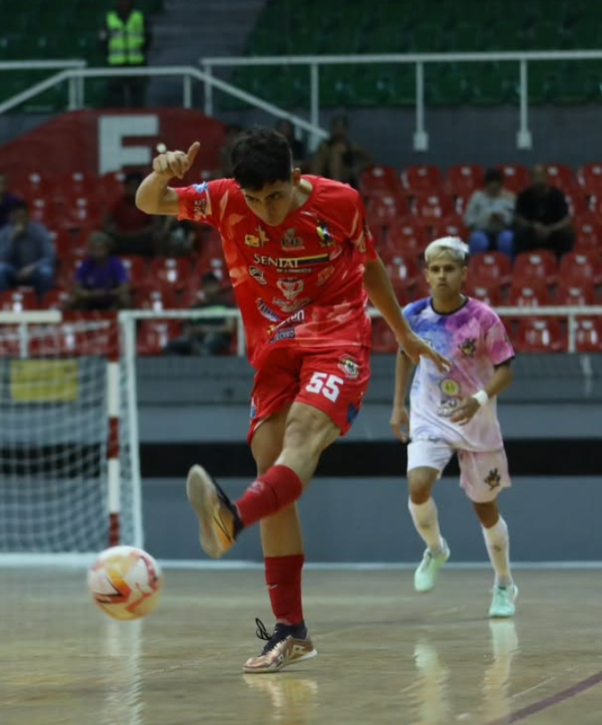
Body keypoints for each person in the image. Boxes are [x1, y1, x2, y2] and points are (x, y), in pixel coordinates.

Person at [135, 127, 447, 673]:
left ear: (296, 178)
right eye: (255, 199)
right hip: (274, 347)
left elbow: (370, 265)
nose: (266, 210)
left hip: (338, 337)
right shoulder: (228, 199)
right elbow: (149, 202)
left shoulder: (339, 201)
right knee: (268, 462)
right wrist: (163, 172)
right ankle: (291, 631)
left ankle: (232, 516)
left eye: (274, 196)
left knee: (299, 438)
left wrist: (400, 331)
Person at [391, 237, 517, 617]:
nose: (442, 275)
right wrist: (398, 405)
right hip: (431, 414)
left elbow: (505, 371)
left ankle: (504, 584)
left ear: (464, 273)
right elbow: (404, 352)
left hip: (476, 419)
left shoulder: (483, 318)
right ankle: (435, 549)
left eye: (449, 269)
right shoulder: (412, 315)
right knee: (418, 485)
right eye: (435, 269)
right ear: (426, 275)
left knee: (485, 509)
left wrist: (478, 399)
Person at [0, 202, 56, 299]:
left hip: (34, 270)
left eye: (23, 216)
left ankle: (43, 307)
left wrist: (32, 267)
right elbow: (1, 258)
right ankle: (2, 304)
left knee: (46, 272)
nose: (20, 220)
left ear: (28, 217)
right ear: (11, 217)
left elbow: (50, 257)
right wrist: (12, 239)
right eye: (17, 216)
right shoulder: (3, 232)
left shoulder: (40, 230)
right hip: (13, 270)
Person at [164, 273, 235, 355]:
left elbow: (230, 328)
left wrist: (205, 329)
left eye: (213, 285)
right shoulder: (196, 308)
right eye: (207, 285)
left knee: (206, 346)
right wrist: (193, 331)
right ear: (203, 288)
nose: (210, 289)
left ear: (218, 287)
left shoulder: (226, 306)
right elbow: (186, 328)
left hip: (217, 338)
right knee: (171, 347)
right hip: (195, 339)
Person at [513, 164, 575, 258]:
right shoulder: (524, 196)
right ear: (530, 178)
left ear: (547, 177)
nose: (538, 179)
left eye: (540, 175)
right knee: (520, 234)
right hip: (532, 232)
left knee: (567, 234)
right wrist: (533, 226)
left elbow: (566, 220)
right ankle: (523, 262)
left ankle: (562, 264)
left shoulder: (557, 195)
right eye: (535, 176)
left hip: (553, 232)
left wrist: (549, 229)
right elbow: (518, 218)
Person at [67, 232, 131, 311]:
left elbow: (125, 287)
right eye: (94, 249)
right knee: (72, 299)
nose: (97, 252)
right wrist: (90, 294)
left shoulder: (115, 263)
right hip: (90, 298)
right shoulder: (86, 264)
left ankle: (123, 321)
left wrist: (109, 293)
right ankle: (74, 321)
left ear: (108, 249)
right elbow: (76, 288)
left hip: (111, 297)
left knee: (125, 298)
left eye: (101, 248)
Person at [464, 168, 515, 259]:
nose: (494, 191)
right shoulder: (477, 197)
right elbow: (468, 220)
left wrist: (503, 218)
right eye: (491, 188)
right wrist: (485, 219)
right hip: (482, 231)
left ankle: (509, 267)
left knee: (508, 238)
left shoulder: (510, 198)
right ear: (486, 185)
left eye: (497, 189)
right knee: (477, 239)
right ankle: (475, 267)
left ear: (501, 185)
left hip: (502, 231)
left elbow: (514, 219)